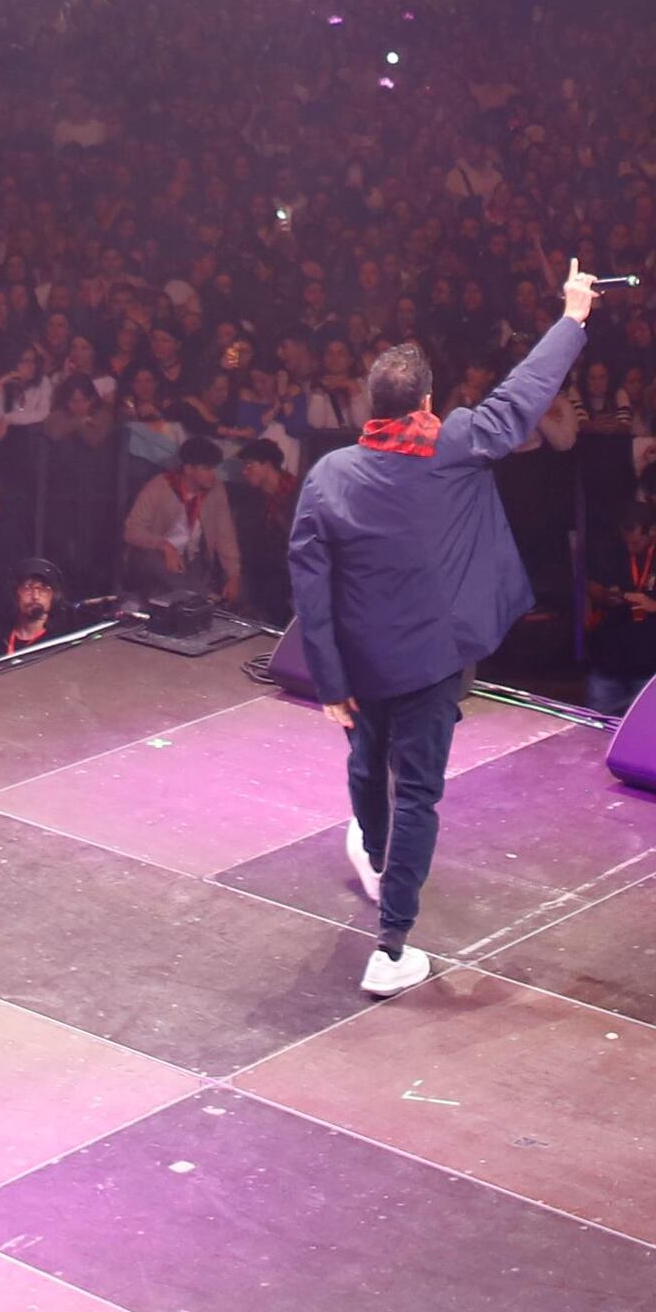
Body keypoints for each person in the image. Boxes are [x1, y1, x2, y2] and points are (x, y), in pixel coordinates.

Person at [286, 264, 600, 999]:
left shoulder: (329, 476)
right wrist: (573, 317)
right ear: (426, 400)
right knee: (417, 793)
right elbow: (524, 395)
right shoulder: (455, 441)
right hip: (430, 660)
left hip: (363, 663)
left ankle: (372, 845)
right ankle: (391, 946)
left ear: (372, 403)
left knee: (369, 767)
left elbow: (309, 585)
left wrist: (329, 683)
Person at [122, 434, 240, 605]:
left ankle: (196, 599)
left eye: (214, 468)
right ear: (189, 469)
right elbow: (131, 531)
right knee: (153, 561)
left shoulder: (216, 490)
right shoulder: (159, 487)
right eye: (207, 468)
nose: (213, 474)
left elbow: (225, 535)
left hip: (189, 558)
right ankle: (205, 598)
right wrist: (164, 545)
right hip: (155, 554)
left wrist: (234, 575)